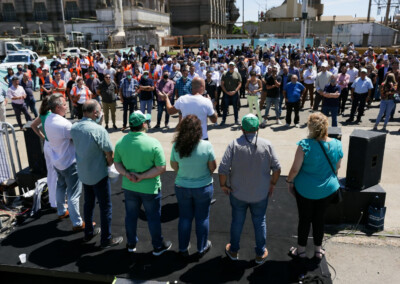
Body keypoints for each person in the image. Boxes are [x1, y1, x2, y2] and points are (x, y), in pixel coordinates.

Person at [219, 114, 281, 265]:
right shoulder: (267, 144)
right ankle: (260, 253)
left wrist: (223, 185)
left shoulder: (234, 144)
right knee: (260, 221)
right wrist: (272, 183)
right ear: (258, 128)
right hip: (260, 193)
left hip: (237, 193)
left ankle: (233, 250)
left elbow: (222, 169)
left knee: (237, 221)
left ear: (242, 129)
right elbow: (277, 168)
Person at [114, 111, 172, 255]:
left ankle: (131, 244)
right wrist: (143, 176)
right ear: (144, 124)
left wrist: (128, 174)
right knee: (153, 218)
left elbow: (117, 164)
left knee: (131, 217)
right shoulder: (153, 143)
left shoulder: (121, 142)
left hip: (129, 186)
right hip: (149, 189)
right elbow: (161, 168)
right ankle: (158, 246)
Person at [287, 112, 343, 261]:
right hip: (327, 190)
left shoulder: (304, 145)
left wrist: (289, 182)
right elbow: (337, 167)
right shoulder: (337, 144)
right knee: (319, 219)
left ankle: (301, 251)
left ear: (310, 127)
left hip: (305, 190)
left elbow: (294, 170)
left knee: (305, 219)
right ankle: (318, 250)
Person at [71, 100, 123, 249]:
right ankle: (106, 239)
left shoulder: (74, 127)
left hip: (84, 173)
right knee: (105, 206)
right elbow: (109, 152)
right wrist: (109, 164)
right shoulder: (99, 130)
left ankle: (88, 233)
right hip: (99, 174)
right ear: (95, 112)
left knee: (88, 204)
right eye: (99, 111)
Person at [170, 115, 216, 257]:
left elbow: (174, 166)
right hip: (203, 187)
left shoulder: (176, 146)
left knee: (185, 218)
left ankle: (183, 248)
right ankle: (201, 247)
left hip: (182, 186)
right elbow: (212, 167)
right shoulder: (206, 146)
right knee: (202, 218)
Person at [44, 94, 84, 230]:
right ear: (57, 107)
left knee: (61, 186)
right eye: (65, 104)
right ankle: (77, 223)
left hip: (57, 161)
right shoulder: (64, 124)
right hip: (69, 162)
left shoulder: (48, 119)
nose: (67, 107)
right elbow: (77, 139)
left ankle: (61, 211)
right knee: (74, 194)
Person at [30, 97, 57, 208]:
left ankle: (53, 200)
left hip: (47, 144)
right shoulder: (51, 116)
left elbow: (33, 125)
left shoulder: (43, 114)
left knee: (51, 173)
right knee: (56, 173)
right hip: (53, 145)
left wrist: (42, 137)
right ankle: (56, 200)